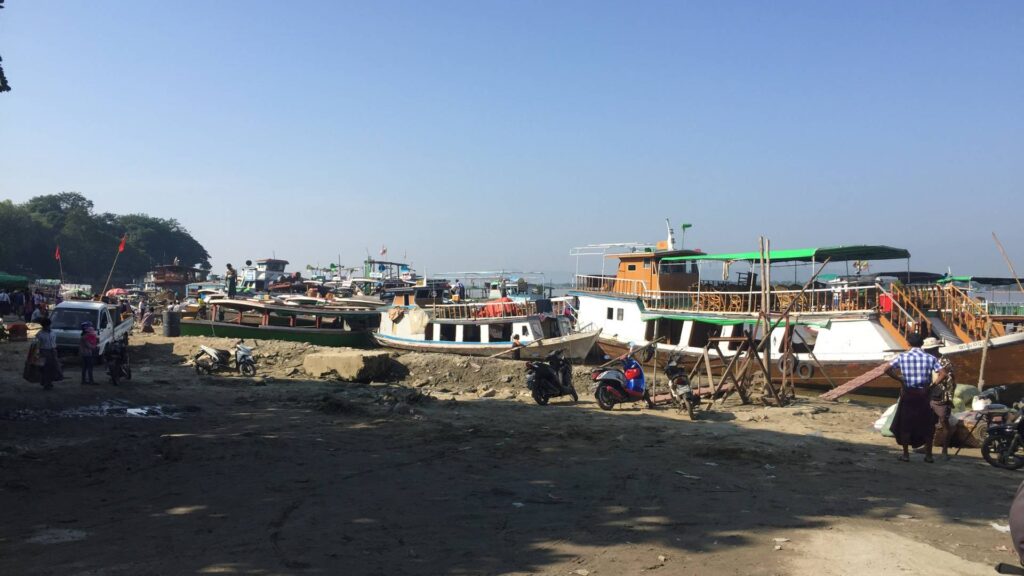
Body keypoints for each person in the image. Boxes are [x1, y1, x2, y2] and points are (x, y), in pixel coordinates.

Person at [886, 333, 947, 462]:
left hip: (908, 394)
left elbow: (887, 369)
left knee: (906, 424)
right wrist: (931, 386)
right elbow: (943, 374)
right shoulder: (930, 358)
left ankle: (906, 455)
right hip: (924, 395)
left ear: (908, 343)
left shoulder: (902, 357)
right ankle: (929, 456)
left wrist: (900, 380)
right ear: (922, 344)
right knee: (927, 424)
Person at [922, 337, 955, 460]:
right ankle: (927, 447)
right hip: (929, 394)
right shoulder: (929, 360)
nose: (928, 352)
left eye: (930, 350)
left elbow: (948, 379)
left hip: (942, 395)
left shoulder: (945, 361)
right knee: (929, 423)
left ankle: (944, 451)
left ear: (936, 349)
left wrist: (933, 386)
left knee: (943, 422)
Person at [35, 317, 60, 390]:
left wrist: (55, 351)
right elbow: (37, 345)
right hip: (44, 352)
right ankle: (46, 383)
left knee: (52, 367)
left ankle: (49, 382)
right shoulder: (39, 334)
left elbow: (54, 343)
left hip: (52, 351)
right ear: (44, 326)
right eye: (47, 325)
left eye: (49, 325)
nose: (48, 327)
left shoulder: (53, 333)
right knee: (45, 368)